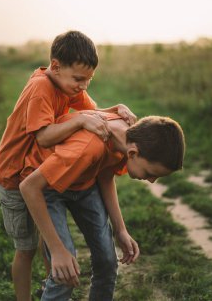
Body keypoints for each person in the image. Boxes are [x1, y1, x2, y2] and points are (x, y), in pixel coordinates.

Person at [0, 30, 136, 301]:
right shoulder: (41, 88)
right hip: (13, 174)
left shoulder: (66, 84)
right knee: (27, 248)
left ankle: (53, 286)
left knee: (49, 236)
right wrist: (79, 121)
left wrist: (116, 109)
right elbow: (44, 135)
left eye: (89, 80)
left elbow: (92, 112)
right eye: (79, 79)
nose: (83, 86)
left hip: (36, 169)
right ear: (56, 67)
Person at [20, 111, 185, 301]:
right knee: (65, 270)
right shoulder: (88, 148)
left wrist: (120, 229)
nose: (152, 181)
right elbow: (29, 187)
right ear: (133, 153)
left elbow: (105, 176)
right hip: (47, 188)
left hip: (84, 184)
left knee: (108, 261)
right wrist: (58, 251)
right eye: (150, 173)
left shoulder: (128, 139)